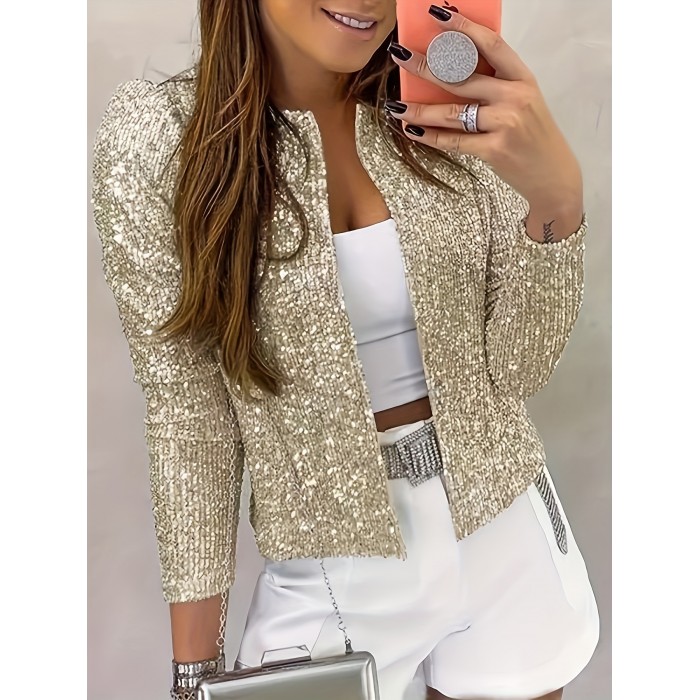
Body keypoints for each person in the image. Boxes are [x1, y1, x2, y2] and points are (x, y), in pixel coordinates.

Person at [91, 2, 600, 699]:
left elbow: (519, 369)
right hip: (331, 576)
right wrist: (193, 675)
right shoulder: (160, 139)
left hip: (507, 530)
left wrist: (556, 198)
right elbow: (190, 417)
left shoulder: (440, 107)